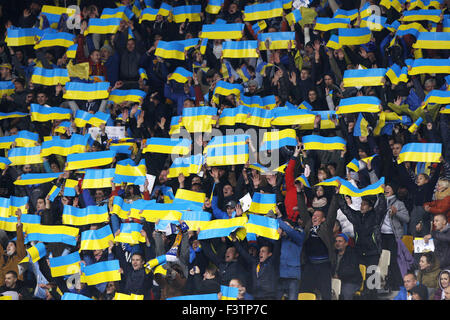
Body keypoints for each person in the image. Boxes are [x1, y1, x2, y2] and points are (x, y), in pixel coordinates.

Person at [296, 180, 339, 300]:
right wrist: (299, 192)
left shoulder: (326, 227)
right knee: (304, 292)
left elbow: (332, 211)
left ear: (323, 219)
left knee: (326, 295)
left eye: (317, 216)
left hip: (324, 266)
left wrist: (336, 195)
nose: (314, 217)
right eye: (313, 216)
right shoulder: (308, 224)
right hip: (310, 265)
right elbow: (302, 210)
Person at [332, 233, 362, 300]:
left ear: (346, 243)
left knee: (345, 292)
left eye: (340, 241)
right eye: (336, 241)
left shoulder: (352, 254)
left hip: (351, 281)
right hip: (335, 279)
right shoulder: (333, 254)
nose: (337, 243)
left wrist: (338, 276)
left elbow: (352, 270)